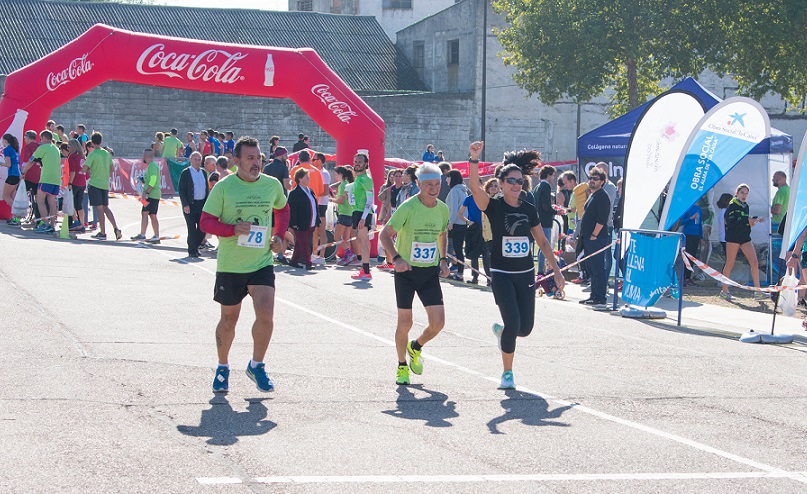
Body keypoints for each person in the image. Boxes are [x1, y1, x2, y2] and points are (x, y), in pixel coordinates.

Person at [468, 141, 563, 389]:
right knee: (513, 323)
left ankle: (502, 333)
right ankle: (507, 373)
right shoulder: (494, 206)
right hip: (501, 274)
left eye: (520, 181)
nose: (516, 185)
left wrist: (556, 271)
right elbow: (475, 189)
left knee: (525, 328)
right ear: (500, 183)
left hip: (525, 274)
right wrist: (474, 159)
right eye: (511, 181)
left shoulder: (529, 209)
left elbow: (542, 241)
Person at [199, 136, 289, 393]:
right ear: (236, 161)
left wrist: (279, 236)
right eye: (249, 158)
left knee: (266, 313)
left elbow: (283, 210)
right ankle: (222, 367)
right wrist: (231, 229)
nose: (256, 163)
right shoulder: (224, 187)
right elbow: (205, 222)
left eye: (258, 157)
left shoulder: (271, 185)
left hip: (261, 262)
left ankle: (257, 365)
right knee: (229, 319)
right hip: (231, 265)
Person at [379, 163, 450, 385]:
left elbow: (442, 234)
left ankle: (416, 346)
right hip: (406, 271)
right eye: (428, 184)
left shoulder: (442, 209)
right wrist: (397, 259)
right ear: (419, 184)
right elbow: (384, 234)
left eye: (437, 184)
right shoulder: (408, 207)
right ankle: (401, 366)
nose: (433, 188)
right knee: (405, 322)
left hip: (429, 272)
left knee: (438, 323)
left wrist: (444, 259)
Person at [719, 184, 766, 301]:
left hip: (745, 238)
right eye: (742, 193)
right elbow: (731, 223)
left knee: (754, 262)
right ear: (737, 193)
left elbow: (745, 222)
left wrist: (752, 222)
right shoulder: (732, 205)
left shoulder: (746, 206)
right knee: (730, 263)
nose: (744, 195)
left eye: (746, 193)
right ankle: (724, 291)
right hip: (733, 238)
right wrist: (747, 221)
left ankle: (758, 292)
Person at [578, 167, 611, 306]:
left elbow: (602, 219)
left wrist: (594, 235)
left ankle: (600, 297)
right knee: (591, 267)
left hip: (597, 238)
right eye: (591, 178)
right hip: (587, 237)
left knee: (598, 268)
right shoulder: (593, 194)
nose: (592, 181)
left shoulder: (603, 196)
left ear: (602, 181)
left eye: (595, 179)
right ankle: (593, 295)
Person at [82, 132, 122, 241]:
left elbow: (85, 168)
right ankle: (116, 228)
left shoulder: (93, 154)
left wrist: (86, 170)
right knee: (105, 208)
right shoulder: (106, 154)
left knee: (99, 208)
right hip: (104, 184)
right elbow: (112, 169)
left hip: (95, 183)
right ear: (101, 141)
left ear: (92, 142)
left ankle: (103, 232)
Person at [287, 168, 319, 269]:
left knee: (299, 243)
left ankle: (293, 261)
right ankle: (308, 262)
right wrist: (293, 223)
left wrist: (317, 219)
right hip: (300, 223)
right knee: (304, 243)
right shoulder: (294, 193)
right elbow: (292, 209)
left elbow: (314, 205)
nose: (309, 178)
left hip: (311, 222)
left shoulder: (310, 191)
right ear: (300, 179)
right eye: (306, 177)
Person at [350, 153, 375, 281]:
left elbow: (370, 200)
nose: (357, 164)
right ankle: (364, 267)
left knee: (364, 241)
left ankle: (366, 271)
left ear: (365, 164)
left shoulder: (366, 179)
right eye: (355, 161)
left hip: (362, 213)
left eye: (360, 161)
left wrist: (364, 217)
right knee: (361, 240)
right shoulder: (358, 179)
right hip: (357, 212)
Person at [31, 130, 61, 233]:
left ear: (44, 138)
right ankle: (52, 225)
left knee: (40, 201)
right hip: (56, 179)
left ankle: (46, 223)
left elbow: (31, 161)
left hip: (46, 178)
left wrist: (23, 173)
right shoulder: (56, 149)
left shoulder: (42, 148)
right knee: (52, 203)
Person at [130, 149, 162, 243]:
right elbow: (150, 180)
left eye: (144, 156)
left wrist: (146, 193)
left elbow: (153, 180)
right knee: (152, 214)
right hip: (153, 194)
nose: (142, 157)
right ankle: (156, 235)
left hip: (150, 195)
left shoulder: (152, 166)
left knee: (145, 213)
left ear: (147, 156)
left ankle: (142, 234)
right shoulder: (152, 166)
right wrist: (142, 179)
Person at [459, 179, 485, 284]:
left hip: (485, 229)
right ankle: (475, 276)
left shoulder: (485, 198)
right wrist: (468, 222)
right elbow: (460, 213)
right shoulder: (468, 199)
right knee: (474, 254)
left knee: (486, 255)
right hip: (474, 228)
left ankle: (489, 277)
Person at [330, 165, 357, 267]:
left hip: (344, 213)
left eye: (336, 174)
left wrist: (331, 199)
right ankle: (348, 256)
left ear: (341, 174)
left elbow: (340, 200)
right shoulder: (348, 184)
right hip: (350, 213)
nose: (335, 176)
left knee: (337, 237)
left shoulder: (342, 185)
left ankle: (349, 254)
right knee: (346, 238)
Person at [445, 169, 470, 281]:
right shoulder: (463, 190)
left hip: (455, 223)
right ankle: (458, 270)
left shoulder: (455, 190)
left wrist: (450, 221)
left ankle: (455, 270)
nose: (446, 179)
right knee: (458, 248)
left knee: (452, 247)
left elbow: (454, 207)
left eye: (448, 177)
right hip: (462, 223)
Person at [534, 165, 556, 272]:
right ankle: (541, 271)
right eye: (552, 176)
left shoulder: (538, 187)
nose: (553, 178)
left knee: (540, 246)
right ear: (548, 175)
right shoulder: (546, 187)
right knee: (545, 246)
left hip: (538, 220)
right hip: (545, 221)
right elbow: (546, 206)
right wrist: (556, 211)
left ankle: (540, 268)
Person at [311, 152, 330, 264]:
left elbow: (326, 191)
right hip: (314, 203)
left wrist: (313, 194)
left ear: (320, 161)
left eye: (314, 159)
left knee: (321, 230)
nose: (313, 161)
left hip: (321, 204)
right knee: (314, 231)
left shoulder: (325, 173)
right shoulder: (313, 172)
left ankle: (322, 256)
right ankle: (314, 254)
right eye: (312, 159)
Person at [679, 203, 702, 286]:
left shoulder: (699, 209)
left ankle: (689, 277)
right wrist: (690, 218)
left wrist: (701, 236)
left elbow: (700, 224)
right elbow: (681, 222)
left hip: (696, 235)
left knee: (693, 256)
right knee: (687, 256)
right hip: (688, 234)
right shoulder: (686, 208)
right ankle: (684, 277)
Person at [2, 133, 21, 226]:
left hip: (12, 175)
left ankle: (17, 215)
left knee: (5, 196)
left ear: (5, 141)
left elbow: (8, 164)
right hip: (17, 175)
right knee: (12, 197)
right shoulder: (15, 149)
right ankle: (15, 217)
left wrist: (1, 163)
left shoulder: (7, 150)